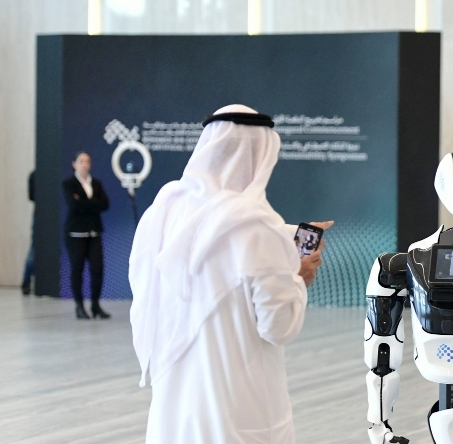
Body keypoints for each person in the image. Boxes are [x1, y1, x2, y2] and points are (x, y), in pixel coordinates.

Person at [129, 104, 331, 444]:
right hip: (238, 408)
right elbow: (278, 325)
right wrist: (297, 277)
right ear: (258, 154)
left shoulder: (163, 212)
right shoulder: (255, 225)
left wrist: (284, 237)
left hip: (176, 409)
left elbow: (209, 241)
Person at [63, 152, 111, 319]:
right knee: (78, 269)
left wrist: (84, 202)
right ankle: (79, 306)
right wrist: (92, 204)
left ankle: (95, 305)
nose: (85, 164)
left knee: (97, 268)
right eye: (81, 161)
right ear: (74, 163)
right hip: (75, 232)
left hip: (94, 231)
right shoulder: (69, 184)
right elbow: (73, 205)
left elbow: (105, 204)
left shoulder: (96, 183)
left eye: (87, 161)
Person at [21, 170, 35, 295]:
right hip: (40, 213)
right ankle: (26, 282)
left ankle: (28, 282)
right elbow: (31, 196)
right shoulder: (35, 175)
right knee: (34, 249)